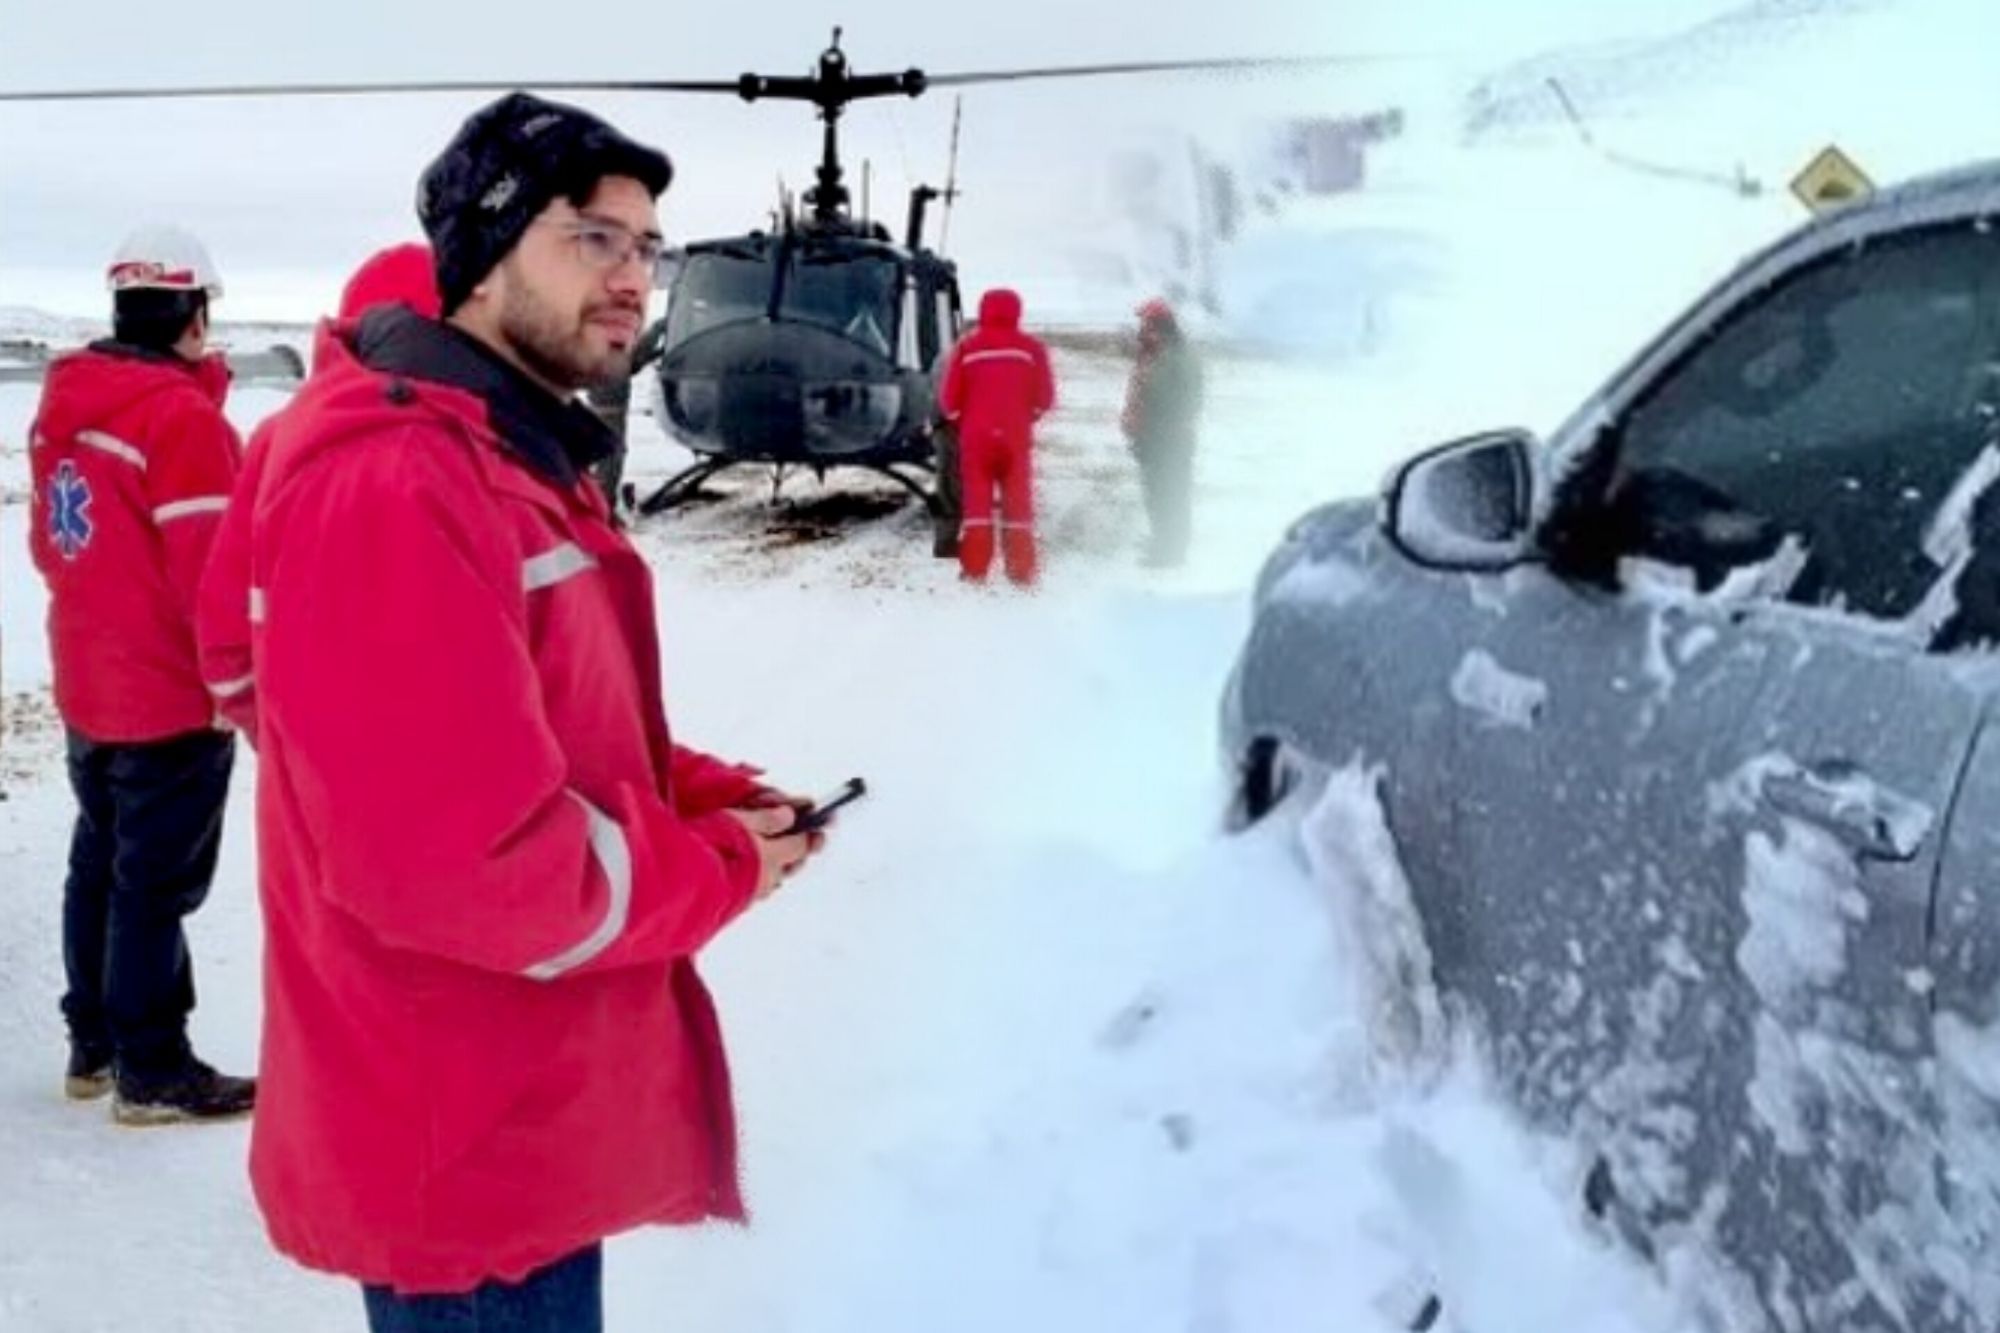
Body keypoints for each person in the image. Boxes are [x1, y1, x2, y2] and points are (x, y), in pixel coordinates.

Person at [210, 92, 822, 1333]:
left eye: (648, 247)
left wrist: (701, 788)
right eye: (592, 236)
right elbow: (467, 867)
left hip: (520, 1117)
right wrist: (715, 869)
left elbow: (537, 721)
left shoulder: (498, 455)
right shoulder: (398, 483)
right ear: (482, 257)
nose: (631, 276)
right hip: (470, 1151)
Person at [26, 224, 255, 1124]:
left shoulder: (65, 408)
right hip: (167, 694)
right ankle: (151, 1067)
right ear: (193, 314)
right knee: (154, 886)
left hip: (89, 683)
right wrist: (240, 682)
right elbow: (216, 576)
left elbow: (50, 543)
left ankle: (94, 1044)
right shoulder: (181, 419)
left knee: (101, 862)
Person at [197, 241, 442, 740]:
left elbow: (225, 645)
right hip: (438, 777)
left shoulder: (277, 439)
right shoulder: (472, 457)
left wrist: (284, 741)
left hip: (311, 782)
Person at [937, 288, 1056, 585]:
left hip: (976, 438)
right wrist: (1029, 416)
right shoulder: (1032, 349)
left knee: (977, 505)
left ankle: (975, 568)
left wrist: (962, 422)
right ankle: (1021, 570)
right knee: (1018, 504)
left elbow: (949, 401)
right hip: (1015, 437)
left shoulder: (967, 348)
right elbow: (1045, 397)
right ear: (1017, 311)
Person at [1121, 298, 1205, 568]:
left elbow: (1173, 397)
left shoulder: (1175, 357)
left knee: (1169, 493)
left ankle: (1170, 552)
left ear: (1158, 326)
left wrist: (1145, 410)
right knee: (1156, 492)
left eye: (1144, 323)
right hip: (1153, 436)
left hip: (1168, 438)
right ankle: (1163, 541)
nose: (1140, 329)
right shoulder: (1156, 354)